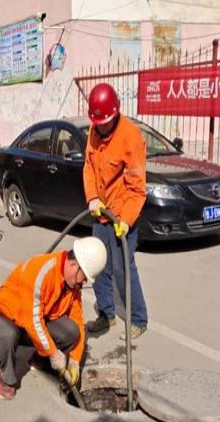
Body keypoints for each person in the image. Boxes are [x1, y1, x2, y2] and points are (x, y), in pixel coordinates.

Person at [0, 237, 107, 400]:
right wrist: (54, 353)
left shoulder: (72, 284)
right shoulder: (41, 272)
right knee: (7, 334)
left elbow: (77, 319)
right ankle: (6, 378)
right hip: (4, 318)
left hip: (32, 323)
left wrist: (75, 360)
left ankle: (37, 358)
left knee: (71, 331)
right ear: (73, 265)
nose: (84, 282)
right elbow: (33, 321)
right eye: (84, 277)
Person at [83, 82, 148, 341]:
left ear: (115, 114)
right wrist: (92, 197)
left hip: (122, 215)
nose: (101, 127)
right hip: (101, 213)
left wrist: (126, 220)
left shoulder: (130, 137)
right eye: (97, 123)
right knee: (97, 266)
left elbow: (137, 189)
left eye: (105, 123)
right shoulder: (94, 131)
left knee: (123, 268)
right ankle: (106, 314)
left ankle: (139, 319)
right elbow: (88, 166)